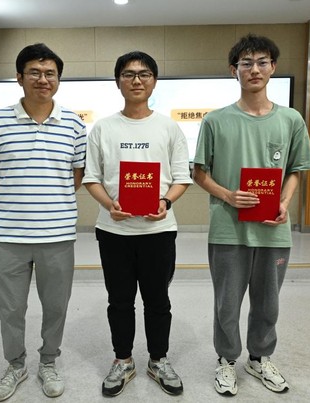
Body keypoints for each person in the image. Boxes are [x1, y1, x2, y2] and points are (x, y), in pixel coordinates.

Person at [193, 33, 310, 396]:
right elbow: (199, 173)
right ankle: (227, 359)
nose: (254, 69)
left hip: (272, 228)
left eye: (262, 62)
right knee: (227, 303)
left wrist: (284, 202)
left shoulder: (291, 119)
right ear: (234, 70)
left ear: (273, 67)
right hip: (228, 229)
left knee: (268, 303)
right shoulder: (215, 121)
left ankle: (259, 358)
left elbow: (296, 169)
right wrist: (228, 196)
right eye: (246, 63)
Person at [0, 43, 86, 401]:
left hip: (58, 235)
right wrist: (15, 197)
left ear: (58, 79)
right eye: (35, 72)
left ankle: (49, 361)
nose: (43, 79)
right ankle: (15, 365)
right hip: (10, 236)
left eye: (50, 73)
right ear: (19, 77)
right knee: (11, 308)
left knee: (56, 306)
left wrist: (50, 199)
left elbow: (77, 174)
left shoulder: (74, 123)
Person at [82, 51, 192, 397]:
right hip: (113, 230)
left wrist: (165, 202)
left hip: (158, 231)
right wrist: (109, 205)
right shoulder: (103, 128)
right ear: (118, 82)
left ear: (154, 81)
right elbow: (91, 178)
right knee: (119, 301)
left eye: (144, 74)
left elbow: (181, 178)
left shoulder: (168, 127)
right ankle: (123, 360)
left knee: (158, 300)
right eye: (128, 74)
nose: (136, 80)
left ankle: (158, 360)